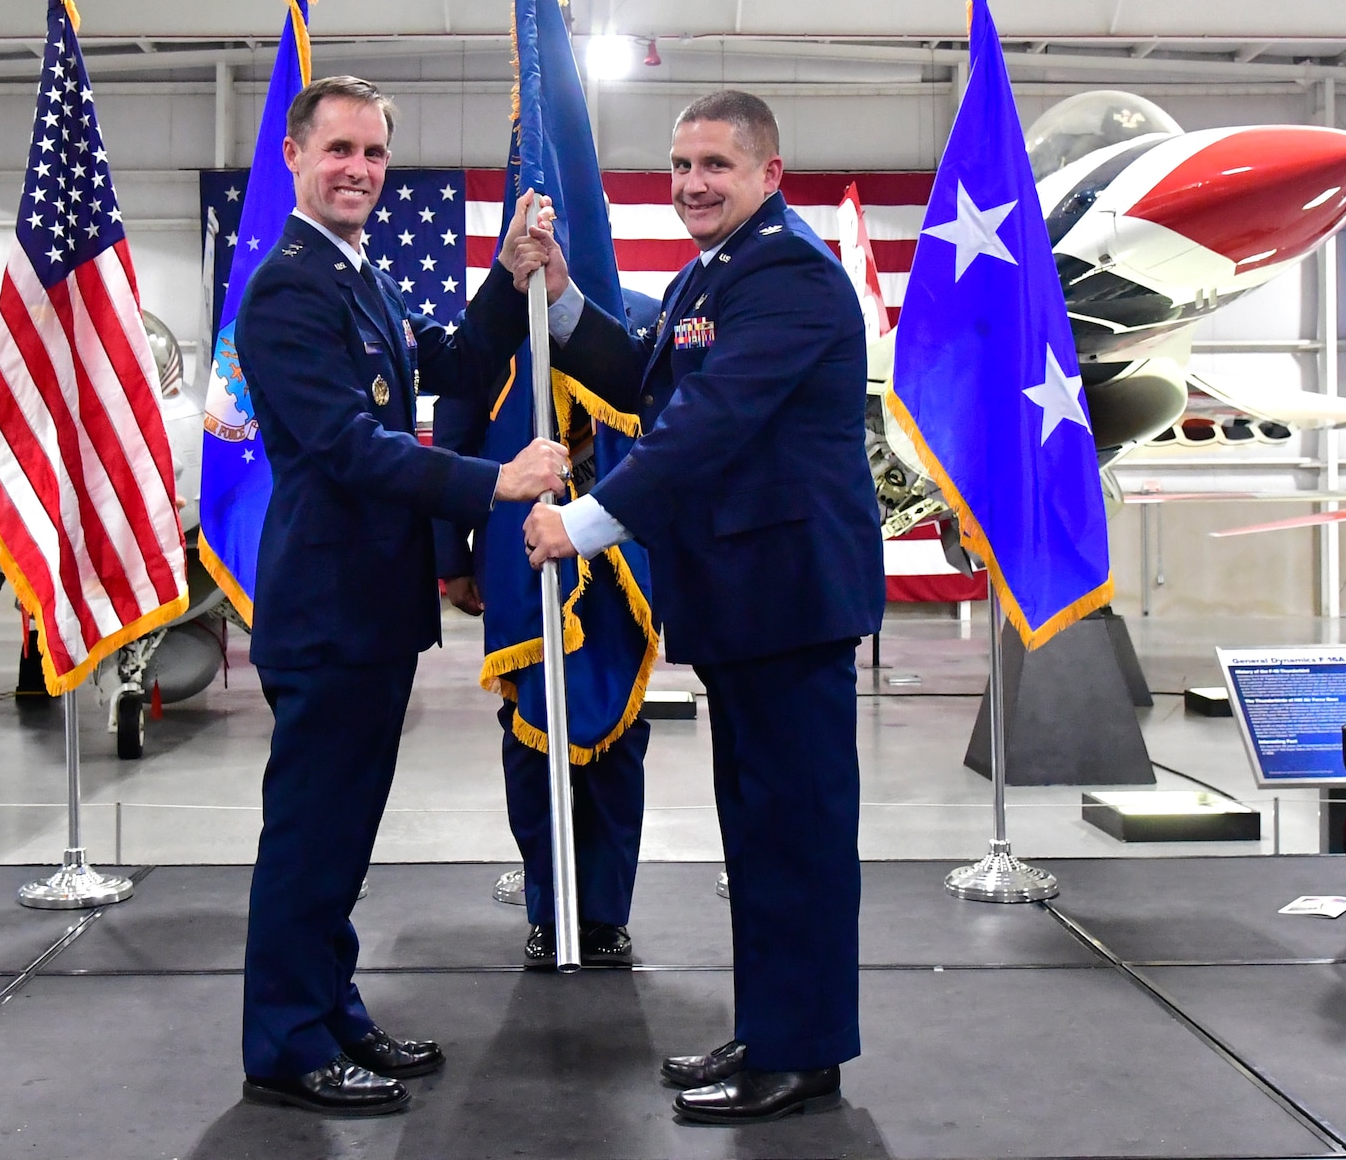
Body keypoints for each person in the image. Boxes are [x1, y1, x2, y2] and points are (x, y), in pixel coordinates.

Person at [513, 89, 886, 1124]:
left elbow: (705, 426)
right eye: (680, 165)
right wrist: (555, 294)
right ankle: (772, 1025)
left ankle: (802, 1053)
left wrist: (581, 523)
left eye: (714, 165)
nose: (690, 184)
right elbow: (643, 381)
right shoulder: (714, 271)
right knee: (758, 829)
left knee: (795, 834)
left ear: (771, 171)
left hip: (789, 600)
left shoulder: (789, 275)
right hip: (744, 602)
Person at [233, 75, 567, 1118]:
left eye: (373, 154)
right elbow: (343, 445)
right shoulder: (291, 286)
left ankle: (328, 1008)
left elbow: (451, 358)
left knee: (341, 832)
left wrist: (511, 278)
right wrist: (491, 483)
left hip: (366, 610)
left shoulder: (354, 276)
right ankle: (285, 1041)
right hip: (327, 607)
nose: (358, 171)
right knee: (309, 833)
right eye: (338, 150)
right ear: (294, 155)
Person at [430, 287, 663, 969]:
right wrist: (454, 560)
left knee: (618, 745)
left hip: (621, 573)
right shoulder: (493, 324)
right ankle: (548, 905)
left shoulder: (641, 318)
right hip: (520, 560)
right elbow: (456, 439)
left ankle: (605, 913)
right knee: (531, 743)